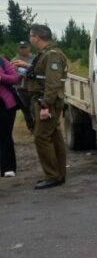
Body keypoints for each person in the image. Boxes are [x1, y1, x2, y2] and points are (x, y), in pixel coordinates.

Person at [11, 24, 69, 189]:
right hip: (43, 100)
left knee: (41, 137)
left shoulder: (52, 55)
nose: (30, 39)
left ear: (37, 37)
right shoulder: (45, 54)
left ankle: (53, 175)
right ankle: (59, 174)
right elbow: (42, 74)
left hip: (46, 101)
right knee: (54, 136)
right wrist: (27, 66)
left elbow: (52, 82)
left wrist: (45, 105)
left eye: (31, 36)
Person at [0, 55, 20, 177]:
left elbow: (15, 78)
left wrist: (1, 77)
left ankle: (8, 168)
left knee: (5, 135)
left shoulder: (1, 61)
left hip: (5, 104)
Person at [11, 41, 35, 132]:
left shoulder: (35, 58)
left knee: (35, 107)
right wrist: (18, 75)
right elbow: (11, 72)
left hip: (34, 87)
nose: (23, 49)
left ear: (29, 48)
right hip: (21, 88)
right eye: (21, 48)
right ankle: (31, 126)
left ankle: (38, 125)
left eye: (25, 47)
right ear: (18, 49)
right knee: (25, 108)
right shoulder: (14, 60)